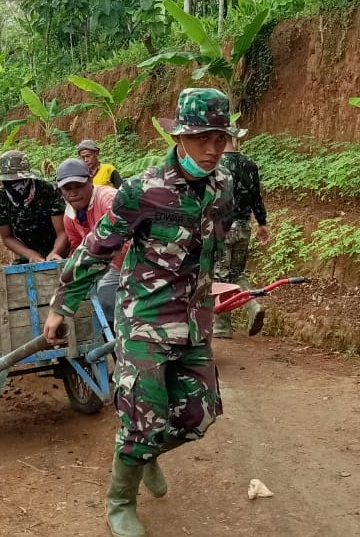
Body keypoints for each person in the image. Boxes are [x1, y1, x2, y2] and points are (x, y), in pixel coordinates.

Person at [44, 88, 238, 537]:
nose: (212, 148)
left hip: (193, 322)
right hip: (145, 321)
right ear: (181, 138)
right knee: (142, 419)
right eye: (202, 137)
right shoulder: (143, 190)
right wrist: (62, 305)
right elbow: (96, 249)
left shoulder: (223, 186)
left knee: (199, 416)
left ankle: (146, 453)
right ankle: (120, 500)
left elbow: (211, 248)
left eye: (220, 138)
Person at [55, 157, 127, 329]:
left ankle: (117, 336)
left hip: (132, 261)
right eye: (67, 188)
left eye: (78, 186)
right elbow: (77, 248)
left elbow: (124, 243)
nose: (73, 193)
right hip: (108, 265)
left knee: (104, 294)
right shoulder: (70, 216)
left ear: (90, 181)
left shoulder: (108, 199)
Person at [212, 139, 270, 339]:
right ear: (235, 140)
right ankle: (253, 305)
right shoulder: (250, 164)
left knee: (219, 275)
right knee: (237, 273)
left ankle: (221, 326)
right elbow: (256, 196)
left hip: (223, 227)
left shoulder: (216, 164)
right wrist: (262, 222)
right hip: (244, 226)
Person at [0, 150, 67, 263]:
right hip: (24, 253)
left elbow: (62, 231)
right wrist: (30, 254)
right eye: (9, 181)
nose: (15, 185)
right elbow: (7, 237)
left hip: (59, 249)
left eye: (19, 180)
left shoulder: (48, 190)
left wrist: (55, 252)